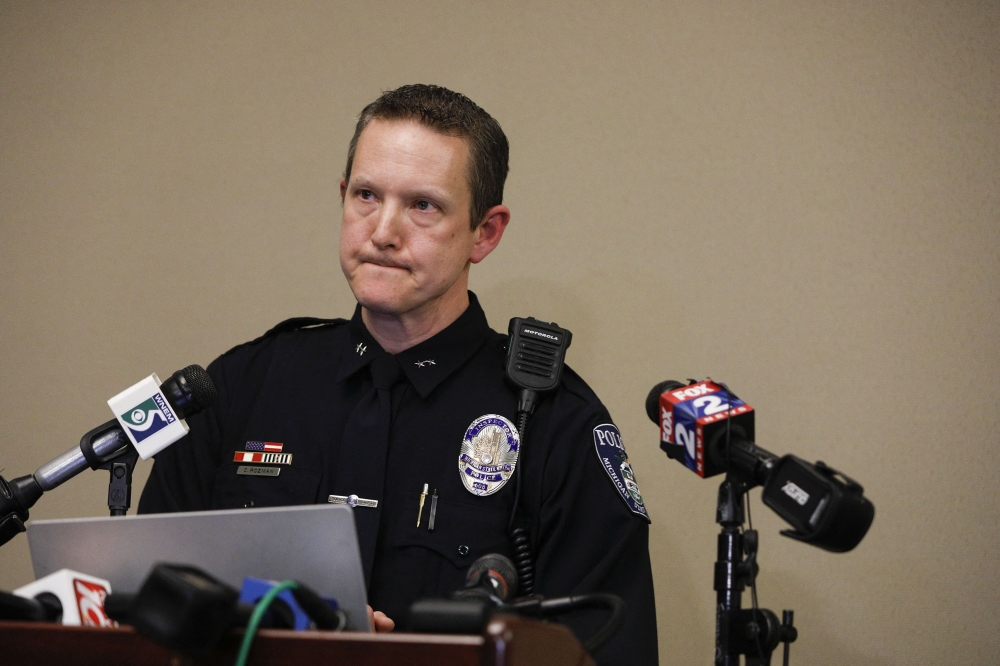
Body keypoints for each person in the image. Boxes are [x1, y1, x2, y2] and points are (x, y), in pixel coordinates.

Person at [138, 84, 658, 664]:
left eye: (423, 205)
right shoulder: (244, 384)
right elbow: (146, 606)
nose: (383, 231)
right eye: (366, 195)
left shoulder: (555, 422)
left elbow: (608, 650)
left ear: (485, 232)